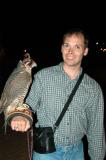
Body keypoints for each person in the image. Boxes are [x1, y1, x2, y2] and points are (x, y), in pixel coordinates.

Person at [5, 28, 106, 160]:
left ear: (85, 51)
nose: (70, 51)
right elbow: (28, 105)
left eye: (77, 46)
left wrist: (97, 157)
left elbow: (96, 128)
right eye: (66, 45)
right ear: (61, 48)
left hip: (77, 152)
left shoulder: (93, 88)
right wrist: (21, 116)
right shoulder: (43, 77)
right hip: (46, 152)